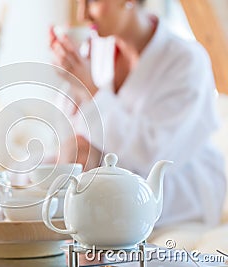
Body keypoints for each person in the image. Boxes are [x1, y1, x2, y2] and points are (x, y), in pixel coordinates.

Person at [50, 0, 226, 227]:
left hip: (177, 194)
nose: (83, 15)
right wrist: (72, 78)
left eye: (92, 1)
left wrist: (90, 90)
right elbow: (69, 130)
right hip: (109, 193)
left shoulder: (187, 59)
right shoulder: (98, 48)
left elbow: (151, 153)